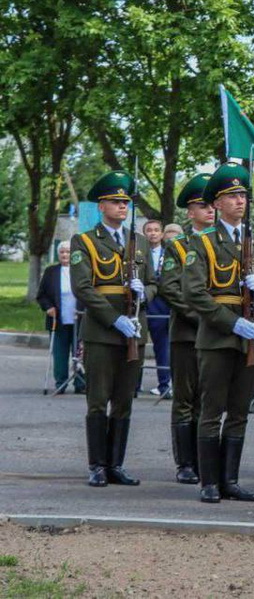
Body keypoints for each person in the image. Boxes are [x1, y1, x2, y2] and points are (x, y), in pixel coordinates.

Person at [183, 162, 254, 504]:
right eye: (231, 196)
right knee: (212, 410)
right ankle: (209, 482)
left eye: (243, 195)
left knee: (239, 411)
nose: (239, 201)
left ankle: (230, 479)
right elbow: (194, 293)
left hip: (249, 340)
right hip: (218, 337)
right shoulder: (202, 242)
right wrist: (231, 322)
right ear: (216, 204)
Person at [69, 170, 152, 487]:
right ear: (101, 206)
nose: (122, 206)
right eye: (116, 201)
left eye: (126, 202)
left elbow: (156, 286)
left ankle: (116, 464)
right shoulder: (85, 241)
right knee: (97, 399)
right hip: (103, 333)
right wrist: (113, 317)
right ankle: (97, 465)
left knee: (124, 399)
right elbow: (83, 288)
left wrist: (144, 291)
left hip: (134, 331)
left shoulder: (139, 242)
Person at [157, 173, 213, 484]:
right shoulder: (178, 246)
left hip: (217, 333)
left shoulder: (224, 242)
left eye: (211, 205)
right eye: (203, 205)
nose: (210, 210)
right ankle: (186, 463)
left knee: (210, 399)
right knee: (186, 399)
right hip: (189, 333)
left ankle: (206, 460)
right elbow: (171, 288)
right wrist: (205, 315)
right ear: (189, 212)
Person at [37, 242, 84, 394]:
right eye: (62, 252)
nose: (65, 255)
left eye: (68, 252)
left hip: (80, 319)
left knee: (80, 353)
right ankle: (61, 383)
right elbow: (42, 295)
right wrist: (48, 307)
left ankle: (81, 383)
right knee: (60, 353)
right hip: (58, 320)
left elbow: (89, 293)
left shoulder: (82, 271)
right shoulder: (51, 272)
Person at [142, 219, 172, 396]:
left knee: (166, 346)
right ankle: (135, 385)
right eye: (149, 230)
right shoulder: (139, 252)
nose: (152, 233)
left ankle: (165, 384)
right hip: (146, 302)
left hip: (165, 303)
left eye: (156, 230)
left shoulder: (169, 252)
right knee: (141, 344)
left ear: (162, 234)